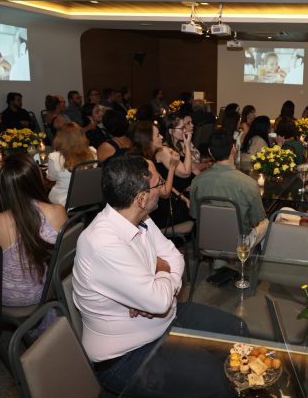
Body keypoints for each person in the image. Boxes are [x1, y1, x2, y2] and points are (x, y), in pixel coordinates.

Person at [73, 155, 239, 397]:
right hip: (127, 355)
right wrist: (160, 272)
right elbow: (159, 300)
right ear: (141, 198)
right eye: (158, 183)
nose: (162, 188)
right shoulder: (102, 243)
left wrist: (154, 285)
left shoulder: (139, 217)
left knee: (237, 330)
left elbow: (175, 257)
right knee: (219, 383)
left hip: (164, 320)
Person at [0, 153, 67, 306]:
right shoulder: (58, 211)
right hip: (48, 291)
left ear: (4, 186)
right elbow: (65, 255)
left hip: (7, 298)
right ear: (37, 180)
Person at [191, 130, 268, 247]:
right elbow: (256, 220)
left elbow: (195, 215)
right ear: (233, 148)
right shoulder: (249, 184)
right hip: (238, 244)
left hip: (207, 242)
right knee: (266, 223)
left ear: (210, 152)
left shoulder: (197, 181)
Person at [130, 121, 192, 228]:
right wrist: (172, 167)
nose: (162, 137)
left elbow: (162, 181)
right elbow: (165, 192)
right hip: (153, 212)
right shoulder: (146, 163)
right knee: (194, 210)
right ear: (149, 140)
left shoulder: (140, 157)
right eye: (158, 135)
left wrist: (182, 197)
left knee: (190, 204)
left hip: (145, 208)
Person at [47, 123, 97, 207]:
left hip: (65, 202)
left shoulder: (55, 157)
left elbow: (51, 178)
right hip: (90, 197)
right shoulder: (92, 152)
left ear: (60, 138)